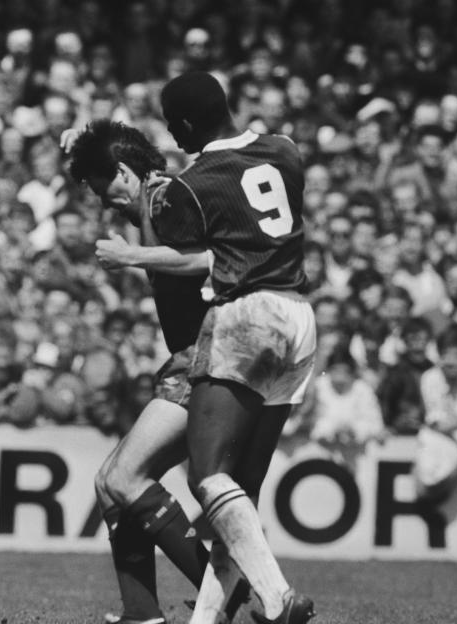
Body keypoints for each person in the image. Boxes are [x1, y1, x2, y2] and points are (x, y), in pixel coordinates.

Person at [62, 119, 246, 624]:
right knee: (109, 483)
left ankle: (225, 588)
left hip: (207, 359)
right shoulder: (156, 194)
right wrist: (81, 142)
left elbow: (212, 260)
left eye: (104, 189)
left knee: (123, 476)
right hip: (190, 360)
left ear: (123, 173)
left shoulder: (165, 200)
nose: (103, 202)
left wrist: (131, 256)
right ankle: (141, 614)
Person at [155, 72, 317, 624]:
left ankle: (277, 599)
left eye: (175, 129)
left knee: (208, 474)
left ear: (185, 124)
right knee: (237, 495)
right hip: (299, 315)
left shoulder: (193, 182)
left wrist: (134, 253)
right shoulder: (287, 150)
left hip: (247, 314)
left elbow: (177, 237)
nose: (176, 140)